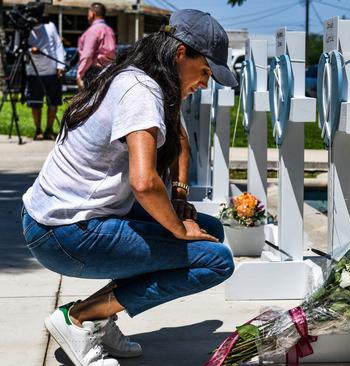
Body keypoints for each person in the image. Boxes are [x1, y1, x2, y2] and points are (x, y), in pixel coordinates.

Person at [21, 9, 238, 366]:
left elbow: (179, 141)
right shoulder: (141, 91)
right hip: (62, 232)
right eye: (206, 72)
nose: (206, 83)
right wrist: (178, 228)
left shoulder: (141, 77)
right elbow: (143, 182)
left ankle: (101, 317)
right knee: (216, 261)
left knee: (210, 231)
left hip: (64, 218)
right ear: (181, 53)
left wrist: (179, 200)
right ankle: (80, 317)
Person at [25, 3, 65, 141]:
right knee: (36, 104)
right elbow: (19, 48)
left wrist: (60, 65)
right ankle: (38, 130)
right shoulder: (25, 29)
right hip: (34, 72)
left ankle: (49, 129)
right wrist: (31, 50)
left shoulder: (50, 26)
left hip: (52, 71)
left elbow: (58, 45)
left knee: (53, 103)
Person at [76, 2, 116, 88]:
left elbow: (87, 54)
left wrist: (80, 73)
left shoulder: (93, 30)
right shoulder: (109, 30)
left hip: (94, 73)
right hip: (109, 71)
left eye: (88, 13)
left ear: (92, 14)